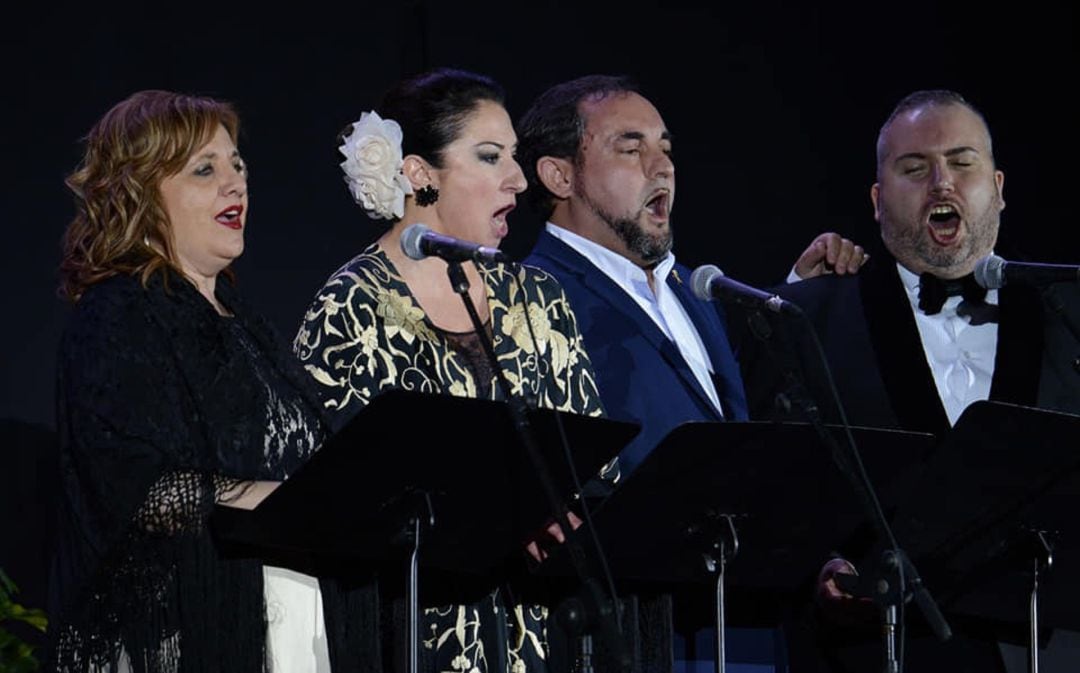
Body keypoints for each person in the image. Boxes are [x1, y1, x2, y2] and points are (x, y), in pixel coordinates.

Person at [515, 74, 869, 671]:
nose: (663, 166)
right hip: (634, 633)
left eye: (666, 148)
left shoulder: (698, 291)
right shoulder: (527, 296)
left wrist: (818, 556)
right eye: (631, 148)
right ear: (559, 175)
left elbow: (731, 435)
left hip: (746, 628)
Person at [738, 89, 1080, 672]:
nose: (941, 182)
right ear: (877, 200)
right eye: (914, 168)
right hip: (882, 651)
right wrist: (822, 567)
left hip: (1054, 648)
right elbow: (773, 483)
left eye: (961, 162)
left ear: (997, 188)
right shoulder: (808, 320)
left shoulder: (1068, 313)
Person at [294, 68, 606, 673]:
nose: (517, 180)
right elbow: (337, 504)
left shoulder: (538, 298)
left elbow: (592, 462)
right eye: (490, 157)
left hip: (550, 635)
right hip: (412, 637)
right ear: (418, 174)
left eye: (514, 158)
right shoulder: (349, 310)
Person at [48, 90, 368, 672]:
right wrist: (294, 503)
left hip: (293, 623)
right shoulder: (118, 313)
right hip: (188, 636)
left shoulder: (246, 324)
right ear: (140, 193)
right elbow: (138, 487)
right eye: (205, 169)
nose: (235, 184)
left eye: (238, 166)